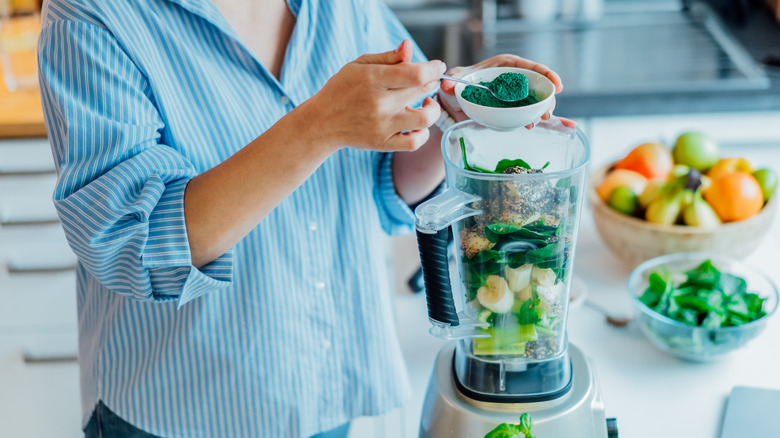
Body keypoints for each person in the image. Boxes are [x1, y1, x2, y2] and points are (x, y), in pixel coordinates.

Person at [37, 0, 571, 436]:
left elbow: (386, 184)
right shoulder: (90, 16)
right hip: (182, 411)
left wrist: (449, 118)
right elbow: (132, 241)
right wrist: (317, 126)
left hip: (324, 388)